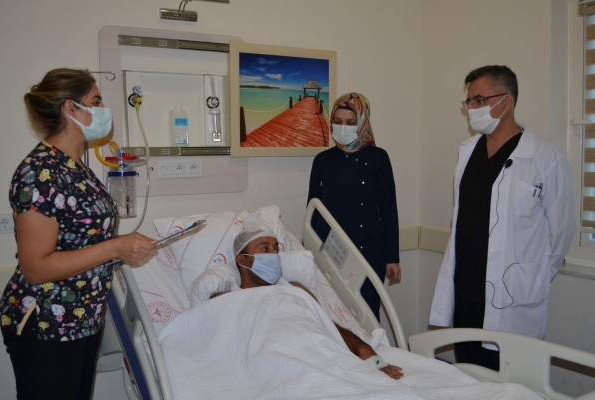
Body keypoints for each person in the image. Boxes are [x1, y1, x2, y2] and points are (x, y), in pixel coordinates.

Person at [0, 68, 156, 399]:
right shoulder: (40, 171)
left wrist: (124, 249)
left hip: (81, 319)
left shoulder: (76, 167)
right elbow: (36, 267)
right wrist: (115, 248)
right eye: (96, 101)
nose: (103, 110)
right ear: (71, 108)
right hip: (46, 324)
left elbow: (86, 241)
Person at [429, 65, 575, 371]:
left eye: (479, 100)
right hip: (466, 293)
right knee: (470, 377)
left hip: (512, 299)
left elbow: (560, 234)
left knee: (510, 382)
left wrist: (531, 277)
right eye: (469, 102)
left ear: (506, 101)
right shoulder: (467, 153)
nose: (472, 109)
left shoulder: (545, 159)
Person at [228, 223, 403, 380]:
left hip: (319, 362)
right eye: (265, 249)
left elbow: (328, 327)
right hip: (272, 371)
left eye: (276, 249)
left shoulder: (295, 290)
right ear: (242, 260)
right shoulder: (230, 301)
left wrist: (367, 352)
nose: (274, 255)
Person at [307, 92, 400, 321]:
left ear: (362, 124)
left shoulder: (378, 158)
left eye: (350, 123)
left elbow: (388, 210)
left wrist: (392, 257)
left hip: (369, 251)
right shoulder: (322, 160)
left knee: (367, 316)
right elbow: (312, 211)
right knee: (332, 317)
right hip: (331, 252)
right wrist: (309, 253)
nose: (343, 128)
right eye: (338, 122)